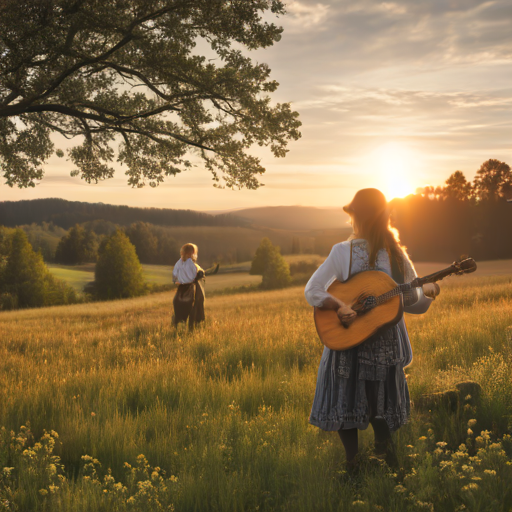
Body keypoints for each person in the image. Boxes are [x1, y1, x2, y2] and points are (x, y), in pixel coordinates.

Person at [304, 188, 439, 469]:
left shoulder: (384, 255)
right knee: (376, 405)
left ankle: (367, 462)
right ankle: (373, 462)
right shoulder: (355, 253)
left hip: (367, 345)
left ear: (358, 217)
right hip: (356, 339)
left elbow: (409, 302)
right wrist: (340, 306)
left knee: (355, 402)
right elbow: (313, 291)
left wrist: (427, 292)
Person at [172, 243, 205, 329]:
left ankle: (193, 323)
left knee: (199, 296)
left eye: (191, 253)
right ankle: (182, 323)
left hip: (189, 287)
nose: (189, 255)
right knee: (196, 299)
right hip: (185, 289)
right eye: (188, 253)